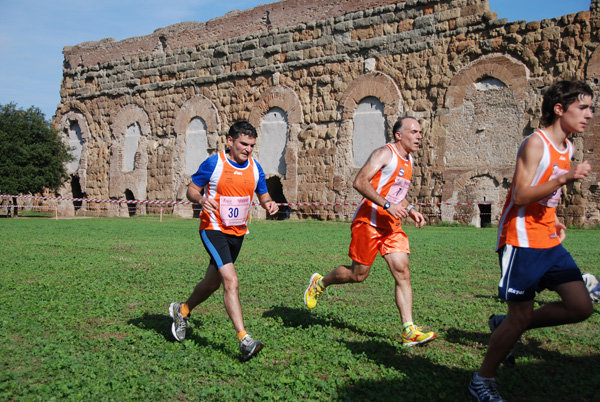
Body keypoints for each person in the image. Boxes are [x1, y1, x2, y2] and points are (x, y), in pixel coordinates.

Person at [468, 80, 594, 402]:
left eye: (591, 108)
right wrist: (565, 177)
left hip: (549, 239)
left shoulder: (569, 148)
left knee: (580, 306)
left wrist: (554, 217)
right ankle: (482, 380)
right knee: (520, 316)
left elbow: (547, 193)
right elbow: (521, 194)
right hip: (521, 241)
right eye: (583, 107)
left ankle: (505, 324)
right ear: (559, 109)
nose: (589, 115)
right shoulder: (534, 144)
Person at [303, 116, 437, 347]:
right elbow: (360, 182)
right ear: (398, 135)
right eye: (413, 132)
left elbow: (397, 194)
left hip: (392, 227)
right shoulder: (384, 154)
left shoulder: (410, 161)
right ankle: (320, 283)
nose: (419, 136)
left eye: (420, 132)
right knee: (358, 275)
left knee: (402, 270)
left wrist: (411, 208)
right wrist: (387, 206)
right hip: (369, 223)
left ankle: (409, 330)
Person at [169, 120, 279, 361]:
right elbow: (192, 189)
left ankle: (182, 310)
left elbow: (263, 194)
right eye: (243, 144)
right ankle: (244, 340)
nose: (248, 149)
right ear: (230, 141)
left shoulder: (255, 168)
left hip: (238, 232)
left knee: (212, 283)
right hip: (213, 228)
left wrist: (269, 203)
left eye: (251, 145)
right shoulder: (214, 163)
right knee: (231, 280)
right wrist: (200, 199)